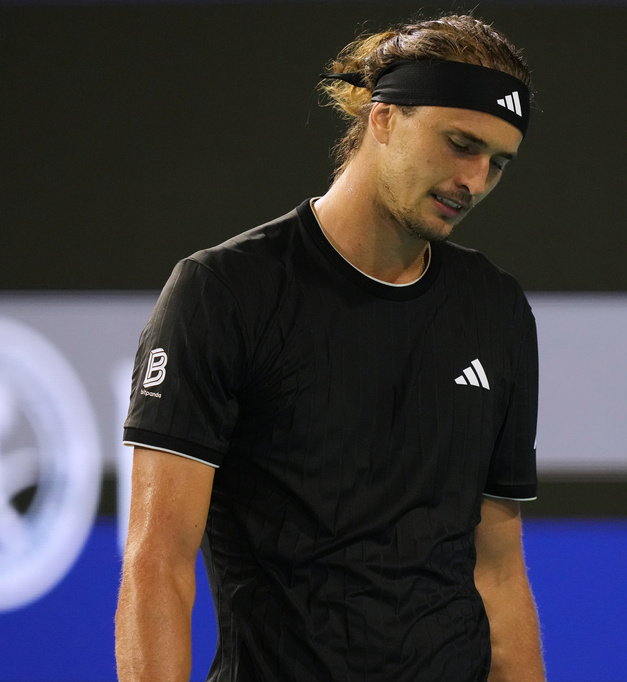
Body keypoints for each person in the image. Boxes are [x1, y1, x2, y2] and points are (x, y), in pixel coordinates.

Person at [114, 14, 544, 682]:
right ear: (383, 118)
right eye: (460, 144)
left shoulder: (496, 311)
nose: (476, 179)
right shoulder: (222, 293)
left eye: (498, 162)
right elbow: (157, 563)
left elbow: (498, 575)